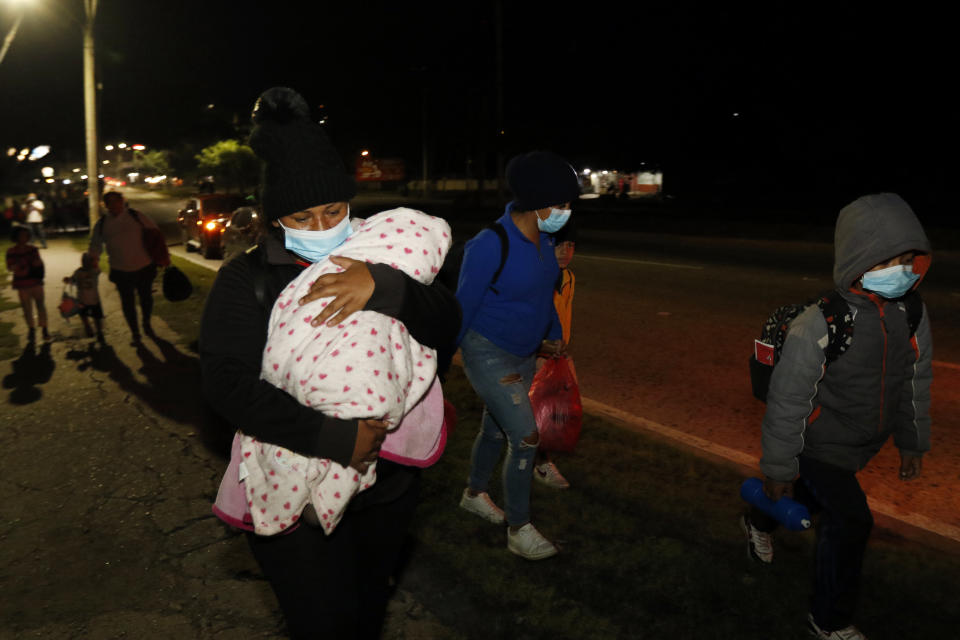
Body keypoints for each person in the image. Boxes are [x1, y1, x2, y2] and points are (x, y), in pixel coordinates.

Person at [200, 87, 460, 639]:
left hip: (389, 483)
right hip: (297, 484)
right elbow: (226, 383)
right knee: (324, 623)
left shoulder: (385, 253)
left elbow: (446, 328)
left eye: (334, 211)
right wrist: (333, 437)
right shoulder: (246, 279)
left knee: (367, 610)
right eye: (303, 216)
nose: (322, 227)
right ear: (276, 219)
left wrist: (387, 287)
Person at [742, 193, 933, 640]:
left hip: (862, 443)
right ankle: (828, 620)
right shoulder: (821, 322)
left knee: (809, 499)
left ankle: (758, 519)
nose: (904, 269)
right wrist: (778, 466)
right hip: (818, 441)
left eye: (910, 258)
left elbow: (915, 381)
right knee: (850, 521)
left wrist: (912, 441)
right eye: (891, 259)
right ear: (860, 257)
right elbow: (788, 401)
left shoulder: (912, 313)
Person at [455, 150, 579, 560]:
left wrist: (554, 334)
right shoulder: (490, 244)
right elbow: (463, 305)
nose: (565, 212)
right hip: (486, 350)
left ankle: (474, 494)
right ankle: (519, 528)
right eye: (560, 204)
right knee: (525, 438)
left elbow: (544, 293)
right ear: (536, 201)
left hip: (525, 353)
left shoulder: (546, 241)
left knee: (495, 431)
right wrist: (438, 364)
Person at [533, 220, 577, 489]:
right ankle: (540, 463)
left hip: (557, 356)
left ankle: (539, 457)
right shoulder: (539, 278)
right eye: (559, 245)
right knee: (538, 414)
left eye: (570, 245)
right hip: (537, 353)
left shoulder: (569, 278)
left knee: (557, 413)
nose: (565, 251)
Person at [88, 191, 160, 344]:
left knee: (146, 298)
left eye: (116, 201)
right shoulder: (102, 224)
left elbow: (155, 233)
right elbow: (95, 245)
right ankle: (135, 333)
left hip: (144, 266)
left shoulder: (136, 216)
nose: (114, 205)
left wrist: (160, 255)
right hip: (120, 270)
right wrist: (93, 260)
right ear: (105, 205)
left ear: (123, 201)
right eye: (110, 202)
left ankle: (146, 322)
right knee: (127, 303)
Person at [6, 225, 49, 342]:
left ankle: (44, 327)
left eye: (26, 235)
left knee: (40, 306)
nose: (24, 237)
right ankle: (31, 328)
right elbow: (11, 267)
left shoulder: (33, 249)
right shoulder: (11, 251)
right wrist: (24, 266)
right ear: (16, 237)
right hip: (22, 285)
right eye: (21, 235)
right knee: (27, 308)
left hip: (36, 283)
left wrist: (22, 266)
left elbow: (37, 264)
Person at [64, 251, 104, 341]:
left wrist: (68, 280)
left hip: (86, 299)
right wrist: (68, 280)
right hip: (91, 299)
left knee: (89, 315)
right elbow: (72, 280)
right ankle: (93, 330)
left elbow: (72, 280)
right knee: (92, 315)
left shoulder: (82, 271)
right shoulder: (93, 271)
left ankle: (94, 330)